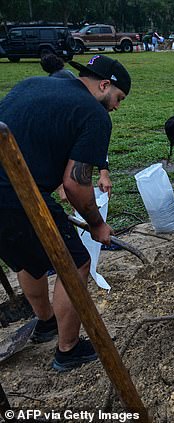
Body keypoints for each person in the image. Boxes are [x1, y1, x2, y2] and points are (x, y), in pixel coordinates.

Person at [0, 54, 131, 371]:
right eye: (118, 98)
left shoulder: (32, 85)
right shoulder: (94, 116)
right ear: (104, 85)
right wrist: (97, 225)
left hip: (10, 193)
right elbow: (76, 186)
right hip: (15, 194)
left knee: (29, 260)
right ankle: (68, 349)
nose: (116, 106)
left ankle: (46, 324)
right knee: (77, 262)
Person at [39, 54, 113, 200]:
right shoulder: (54, 115)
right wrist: (62, 187)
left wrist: (104, 173)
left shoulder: (86, 109)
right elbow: (49, 152)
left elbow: (97, 141)